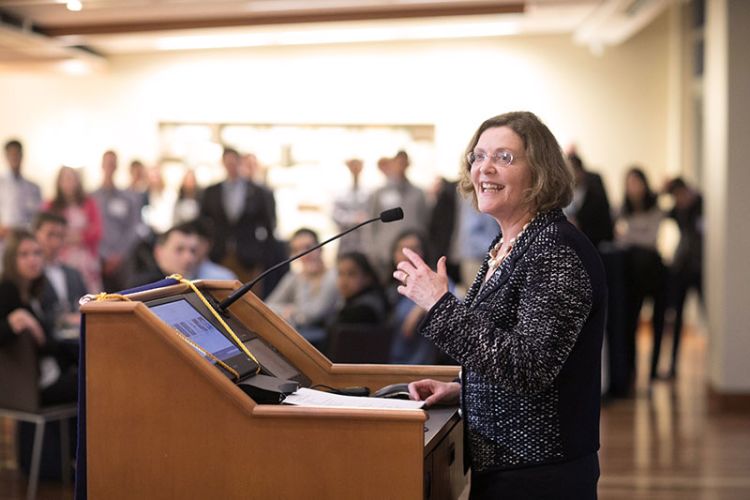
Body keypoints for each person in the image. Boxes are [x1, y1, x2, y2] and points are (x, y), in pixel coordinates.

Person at [395, 112, 606, 499]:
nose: (484, 169)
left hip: (541, 473)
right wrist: (464, 388)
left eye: (504, 158)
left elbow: (529, 367)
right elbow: (505, 347)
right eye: (478, 157)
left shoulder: (554, 251)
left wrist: (439, 304)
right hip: (509, 465)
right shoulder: (511, 246)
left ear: (539, 172)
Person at [0, 229, 78, 406]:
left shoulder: (33, 292)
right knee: (95, 382)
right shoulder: (7, 290)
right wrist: (16, 322)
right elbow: (45, 345)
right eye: (24, 255)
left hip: (42, 378)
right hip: (30, 387)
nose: (32, 260)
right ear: (11, 260)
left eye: (37, 253)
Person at [616, 167, 667, 383]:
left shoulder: (655, 207)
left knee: (658, 323)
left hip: (654, 271)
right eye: (629, 183)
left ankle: (654, 370)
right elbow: (617, 238)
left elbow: (650, 239)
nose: (633, 188)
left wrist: (629, 236)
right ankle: (632, 371)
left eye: (636, 182)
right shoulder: (622, 210)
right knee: (630, 323)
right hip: (632, 272)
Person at [199, 147, 277, 287]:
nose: (231, 167)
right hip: (219, 252)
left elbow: (269, 225)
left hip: (248, 255)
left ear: (240, 162)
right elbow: (203, 222)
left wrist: (263, 254)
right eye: (227, 163)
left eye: (233, 163)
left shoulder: (258, 192)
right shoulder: (211, 191)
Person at [265, 228, 339, 351]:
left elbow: (311, 315)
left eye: (308, 247)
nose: (305, 254)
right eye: (297, 250)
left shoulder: (333, 277)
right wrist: (289, 310)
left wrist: (292, 311)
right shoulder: (294, 277)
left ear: (320, 248)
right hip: (299, 336)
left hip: (324, 341)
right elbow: (268, 305)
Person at [663, 177, 704, 379]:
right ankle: (672, 365)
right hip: (682, 268)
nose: (679, 200)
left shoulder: (703, 205)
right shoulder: (677, 211)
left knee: (709, 315)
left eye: (680, 195)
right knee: (676, 317)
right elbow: (660, 211)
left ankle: (714, 365)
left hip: (701, 268)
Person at [366, 150, 429, 279]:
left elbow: (424, 222)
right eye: (398, 163)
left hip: (411, 254)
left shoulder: (418, 193)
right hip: (384, 254)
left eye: (404, 163)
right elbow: (370, 224)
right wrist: (372, 251)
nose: (401, 166)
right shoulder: (379, 193)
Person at [44, 166, 103, 293]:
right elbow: (45, 231)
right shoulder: (51, 205)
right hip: (61, 257)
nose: (69, 183)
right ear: (59, 182)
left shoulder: (88, 203)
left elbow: (97, 230)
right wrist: (63, 238)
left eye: (72, 179)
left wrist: (81, 237)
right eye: (65, 179)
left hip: (85, 259)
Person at [92, 150, 142, 291]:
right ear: (102, 165)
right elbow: (91, 228)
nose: (110, 167)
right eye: (107, 163)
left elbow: (134, 228)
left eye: (113, 163)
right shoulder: (92, 198)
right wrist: (104, 254)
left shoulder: (128, 198)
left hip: (122, 260)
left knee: (125, 295)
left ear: (117, 166)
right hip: (98, 258)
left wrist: (119, 254)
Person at [388, 230, 439, 365]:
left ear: (423, 253)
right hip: (387, 363)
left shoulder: (435, 280)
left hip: (421, 367)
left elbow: (452, 299)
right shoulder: (388, 289)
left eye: (414, 249)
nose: (406, 256)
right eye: (402, 250)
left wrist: (420, 308)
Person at [33, 211, 88, 335]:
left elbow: (87, 304)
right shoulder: (29, 275)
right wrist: (63, 319)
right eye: (50, 235)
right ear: (35, 235)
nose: (56, 242)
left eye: (61, 236)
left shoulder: (73, 273)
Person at [564, 151, 614, 249]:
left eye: (573, 170)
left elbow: (603, 225)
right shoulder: (563, 194)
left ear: (581, 172)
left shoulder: (595, 194)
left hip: (591, 241)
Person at [0, 139, 42, 252]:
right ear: (6, 157)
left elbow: (38, 217)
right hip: (3, 243)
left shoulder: (33, 188)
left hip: (26, 241)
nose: (14, 157)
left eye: (17, 154)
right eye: (11, 154)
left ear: (22, 155)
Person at [128, 223, 200, 287]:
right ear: (158, 252)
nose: (189, 258)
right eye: (179, 249)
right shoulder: (144, 287)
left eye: (193, 251)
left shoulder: (190, 283)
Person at [331, 252, 389, 326]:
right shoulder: (347, 301)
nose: (344, 280)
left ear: (367, 278)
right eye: (340, 273)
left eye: (351, 274)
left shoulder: (364, 311)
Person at [332, 158, 370, 255]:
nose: (355, 168)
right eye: (353, 165)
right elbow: (335, 215)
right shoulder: (340, 192)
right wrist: (353, 219)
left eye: (357, 165)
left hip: (364, 242)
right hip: (346, 241)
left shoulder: (369, 192)